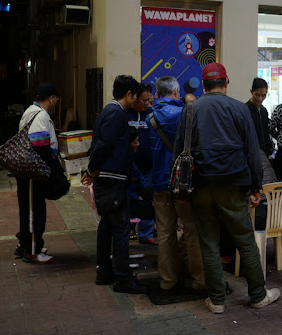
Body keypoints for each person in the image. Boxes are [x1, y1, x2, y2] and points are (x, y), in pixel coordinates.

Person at [174, 62, 280, 314]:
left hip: (200, 185)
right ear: (226, 81)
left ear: (203, 84)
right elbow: (253, 151)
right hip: (234, 184)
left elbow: (178, 152)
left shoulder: (190, 110)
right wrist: (256, 187)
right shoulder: (238, 108)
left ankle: (217, 300)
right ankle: (257, 294)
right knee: (244, 240)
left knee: (208, 243)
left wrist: (179, 191)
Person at [82, 75, 147, 293]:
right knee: (120, 230)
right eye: (135, 96)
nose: (135, 100)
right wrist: (91, 169)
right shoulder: (116, 114)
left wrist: (93, 170)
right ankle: (123, 279)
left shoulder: (105, 113)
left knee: (107, 227)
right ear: (128, 94)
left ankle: (104, 272)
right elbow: (104, 145)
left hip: (106, 181)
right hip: (113, 182)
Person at [147, 76, 205, 294]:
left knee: (164, 233)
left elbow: (144, 154)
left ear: (156, 94)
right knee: (192, 230)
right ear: (175, 93)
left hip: (160, 184)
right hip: (183, 183)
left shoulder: (149, 117)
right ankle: (200, 279)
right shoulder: (184, 114)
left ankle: (168, 281)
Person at [15, 82, 62, 264]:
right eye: (56, 99)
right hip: (34, 172)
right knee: (34, 210)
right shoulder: (40, 116)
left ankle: (28, 244)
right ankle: (32, 250)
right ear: (51, 98)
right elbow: (41, 146)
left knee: (29, 208)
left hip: (29, 171)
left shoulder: (31, 111)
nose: (56, 102)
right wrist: (52, 167)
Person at [125, 83, 156, 244]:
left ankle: (146, 234)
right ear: (135, 98)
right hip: (129, 167)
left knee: (149, 198)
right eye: (144, 100)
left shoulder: (151, 115)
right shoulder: (125, 115)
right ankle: (127, 231)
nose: (146, 104)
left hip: (149, 165)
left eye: (148, 100)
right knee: (129, 199)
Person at [246, 77, 277, 184]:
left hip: (266, 153)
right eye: (257, 94)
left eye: (263, 95)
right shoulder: (245, 110)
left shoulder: (264, 111)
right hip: (252, 154)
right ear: (251, 92)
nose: (260, 98)